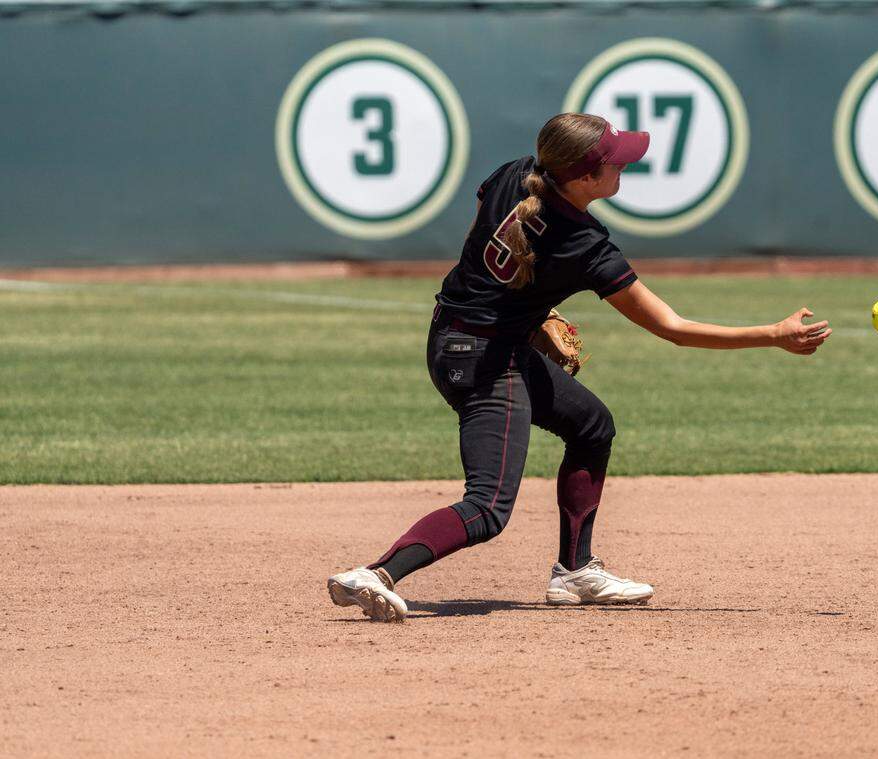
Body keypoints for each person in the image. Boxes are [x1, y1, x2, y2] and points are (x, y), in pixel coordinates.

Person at [327, 113, 832, 622]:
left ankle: (575, 572)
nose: (625, 168)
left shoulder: (519, 172)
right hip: (486, 361)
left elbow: (482, 229)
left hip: (457, 336)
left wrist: (529, 311)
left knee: (592, 427)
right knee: (487, 507)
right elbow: (672, 328)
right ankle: (377, 573)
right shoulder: (585, 243)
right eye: (616, 163)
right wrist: (774, 335)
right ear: (585, 178)